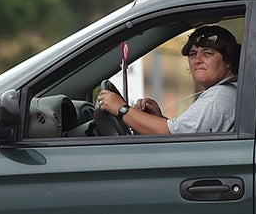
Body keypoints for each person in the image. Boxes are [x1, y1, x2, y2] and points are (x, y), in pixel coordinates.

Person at [97, 24, 240, 134]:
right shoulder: (226, 92)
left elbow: (173, 135)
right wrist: (158, 119)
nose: (197, 60)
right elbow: (185, 134)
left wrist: (121, 109)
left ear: (228, 61)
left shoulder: (220, 96)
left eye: (207, 53)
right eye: (192, 54)